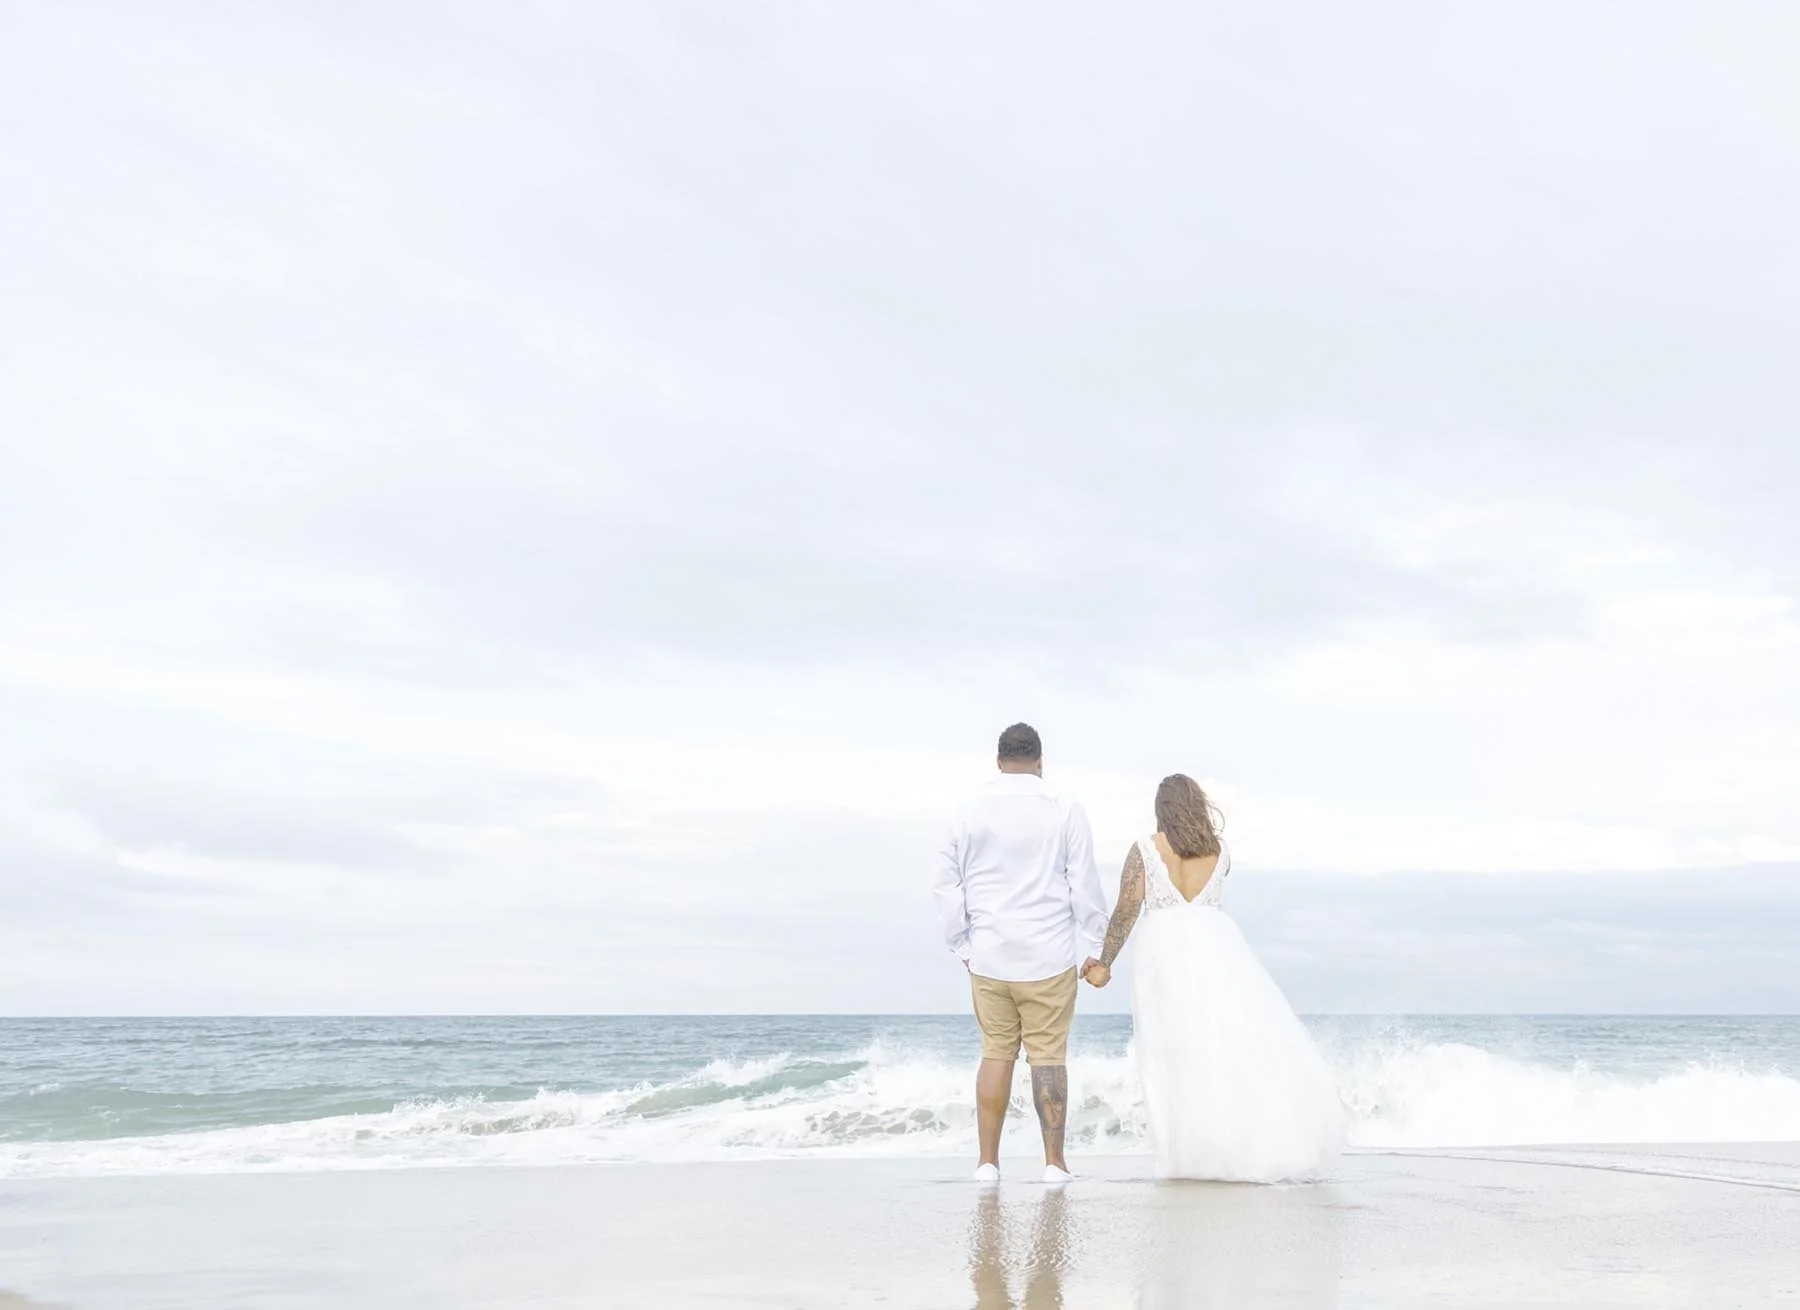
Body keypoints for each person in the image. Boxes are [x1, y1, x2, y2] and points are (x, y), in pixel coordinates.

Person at [1085, 774, 1345, 1181]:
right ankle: (1223, 1149)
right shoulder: (1220, 852)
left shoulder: (1145, 849)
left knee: (1169, 1054)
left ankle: (1181, 1157)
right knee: (1218, 1047)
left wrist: (1104, 963)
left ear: (1161, 810)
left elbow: (1126, 910)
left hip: (1164, 952)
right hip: (1217, 949)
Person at [932, 723, 1110, 1183]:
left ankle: (987, 1164)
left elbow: (947, 884)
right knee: (1048, 1057)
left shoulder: (967, 809)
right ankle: (1054, 1164)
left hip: (989, 954)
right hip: (1048, 954)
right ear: (1040, 760)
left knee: (996, 1052)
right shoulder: (1064, 807)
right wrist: (1097, 947)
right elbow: (1083, 883)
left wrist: (962, 945)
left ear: (998, 761)